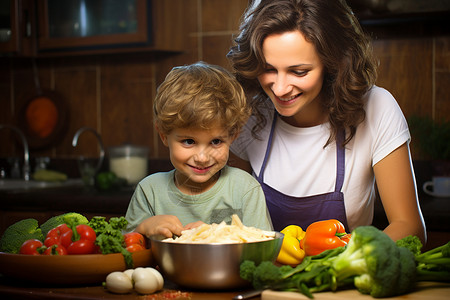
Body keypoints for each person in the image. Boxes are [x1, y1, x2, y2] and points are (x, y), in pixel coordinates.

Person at [226, 0, 426, 244]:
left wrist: (342, 262)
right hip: (264, 277)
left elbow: (410, 226)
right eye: (268, 69)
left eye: (298, 71)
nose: (279, 88)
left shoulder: (376, 106)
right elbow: (228, 214)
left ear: (332, 64)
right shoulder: (251, 112)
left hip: (343, 278)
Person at [125, 62, 273, 238]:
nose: (202, 158)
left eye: (216, 141)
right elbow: (124, 250)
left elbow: (263, 246)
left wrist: (217, 236)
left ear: (233, 135)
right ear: (164, 135)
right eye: (189, 141)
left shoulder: (245, 189)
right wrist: (142, 229)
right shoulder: (149, 191)